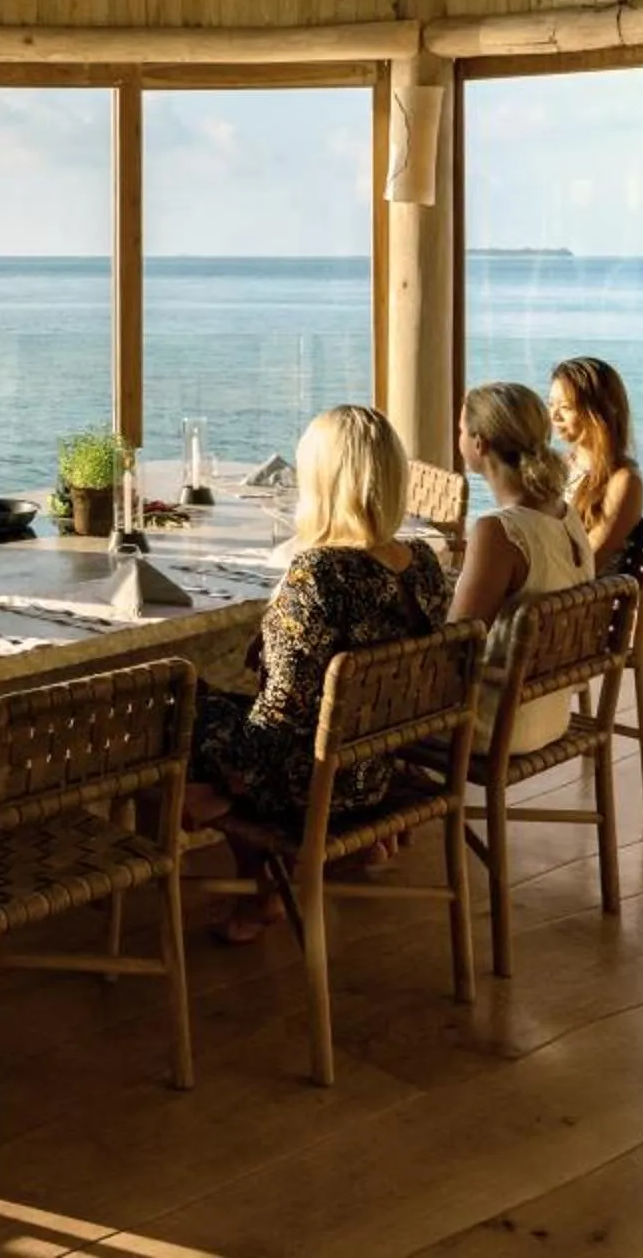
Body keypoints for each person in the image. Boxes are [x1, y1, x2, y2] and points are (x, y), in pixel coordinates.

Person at [185, 404, 446, 943]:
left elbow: (281, 715)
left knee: (182, 706)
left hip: (315, 784)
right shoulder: (420, 563)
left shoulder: (319, 573)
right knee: (225, 711)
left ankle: (248, 858)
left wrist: (227, 783)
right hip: (375, 768)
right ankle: (268, 882)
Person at [447, 381, 595, 756]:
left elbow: (454, 646)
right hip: (549, 713)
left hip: (494, 724)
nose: (458, 436)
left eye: (461, 429)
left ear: (479, 444)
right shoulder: (567, 516)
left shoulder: (500, 531)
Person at [549, 355, 643, 574]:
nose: (554, 415)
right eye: (550, 404)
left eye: (565, 407)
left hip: (580, 600)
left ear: (600, 412)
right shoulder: (559, 466)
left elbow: (587, 562)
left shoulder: (623, 481)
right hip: (545, 590)